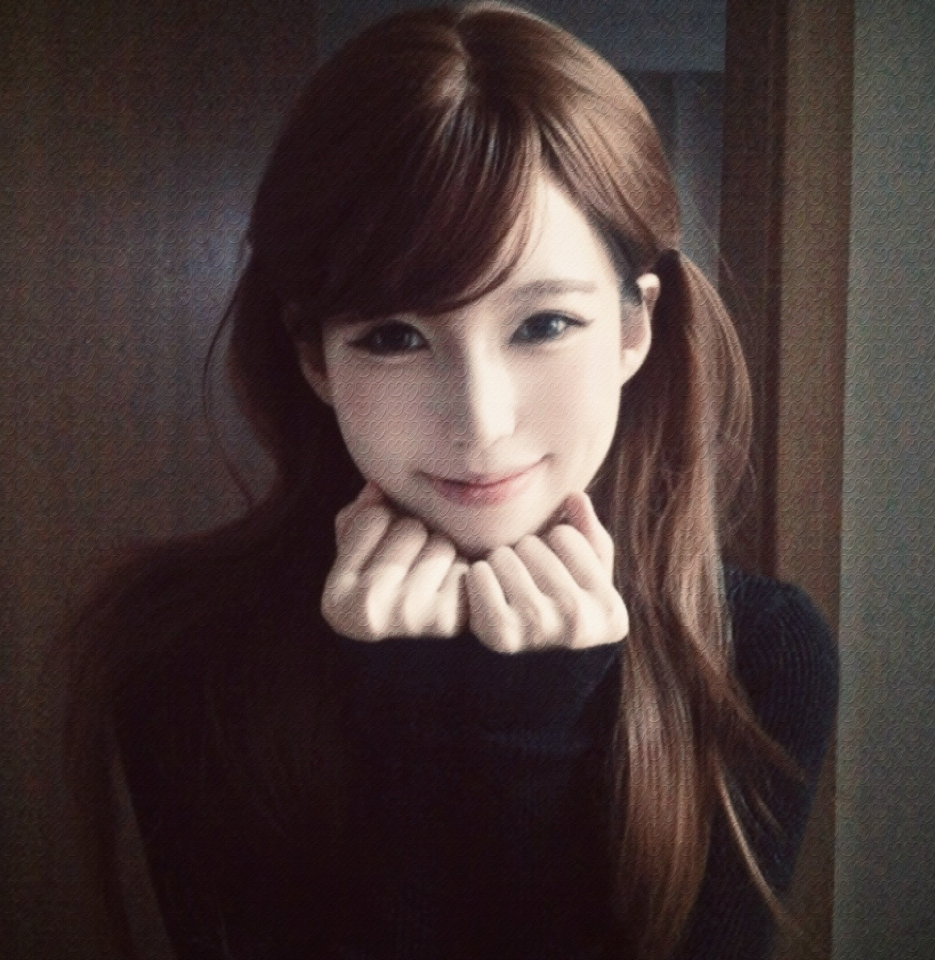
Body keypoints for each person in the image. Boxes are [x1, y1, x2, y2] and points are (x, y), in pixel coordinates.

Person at [63, 4, 839, 959]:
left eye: (544, 325)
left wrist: (527, 727)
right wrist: (405, 718)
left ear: (634, 327)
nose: (480, 421)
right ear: (314, 358)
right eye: (394, 337)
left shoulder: (756, 658)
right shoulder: (186, 654)